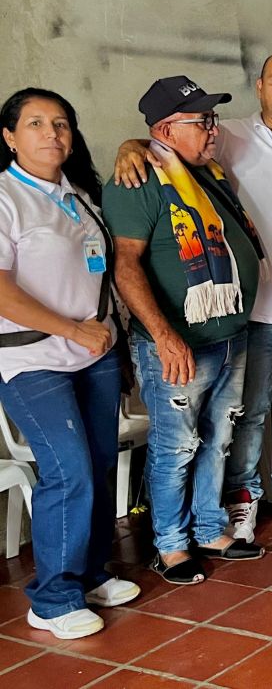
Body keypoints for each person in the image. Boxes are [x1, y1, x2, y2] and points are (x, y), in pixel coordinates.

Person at [113, 50, 272, 540]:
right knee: (245, 413)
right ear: (261, 86)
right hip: (247, 314)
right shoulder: (229, 140)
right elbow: (165, 149)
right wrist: (129, 144)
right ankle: (239, 496)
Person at [104, 76, 266, 587]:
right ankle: (170, 546)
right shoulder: (138, 182)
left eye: (213, 120)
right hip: (176, 343)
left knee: (220, 436)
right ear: (167, 129)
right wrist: (163, 334)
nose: (213, 130)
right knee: (177, 446)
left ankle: (208, 528)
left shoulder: (204, 173)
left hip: (228, 333)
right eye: (203, 122)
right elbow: (125, 265)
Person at [0, 88, 140, 638]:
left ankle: (88, 574)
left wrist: (99, 329)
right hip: (33, 356)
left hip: (93, 351)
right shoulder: (6, 197)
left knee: (101, 461)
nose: (52, 134)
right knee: (69, 468)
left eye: (61, 123)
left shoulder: (77, 195)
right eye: (35, 123)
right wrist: (71, 328)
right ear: (9, 136)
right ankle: (53, 598)